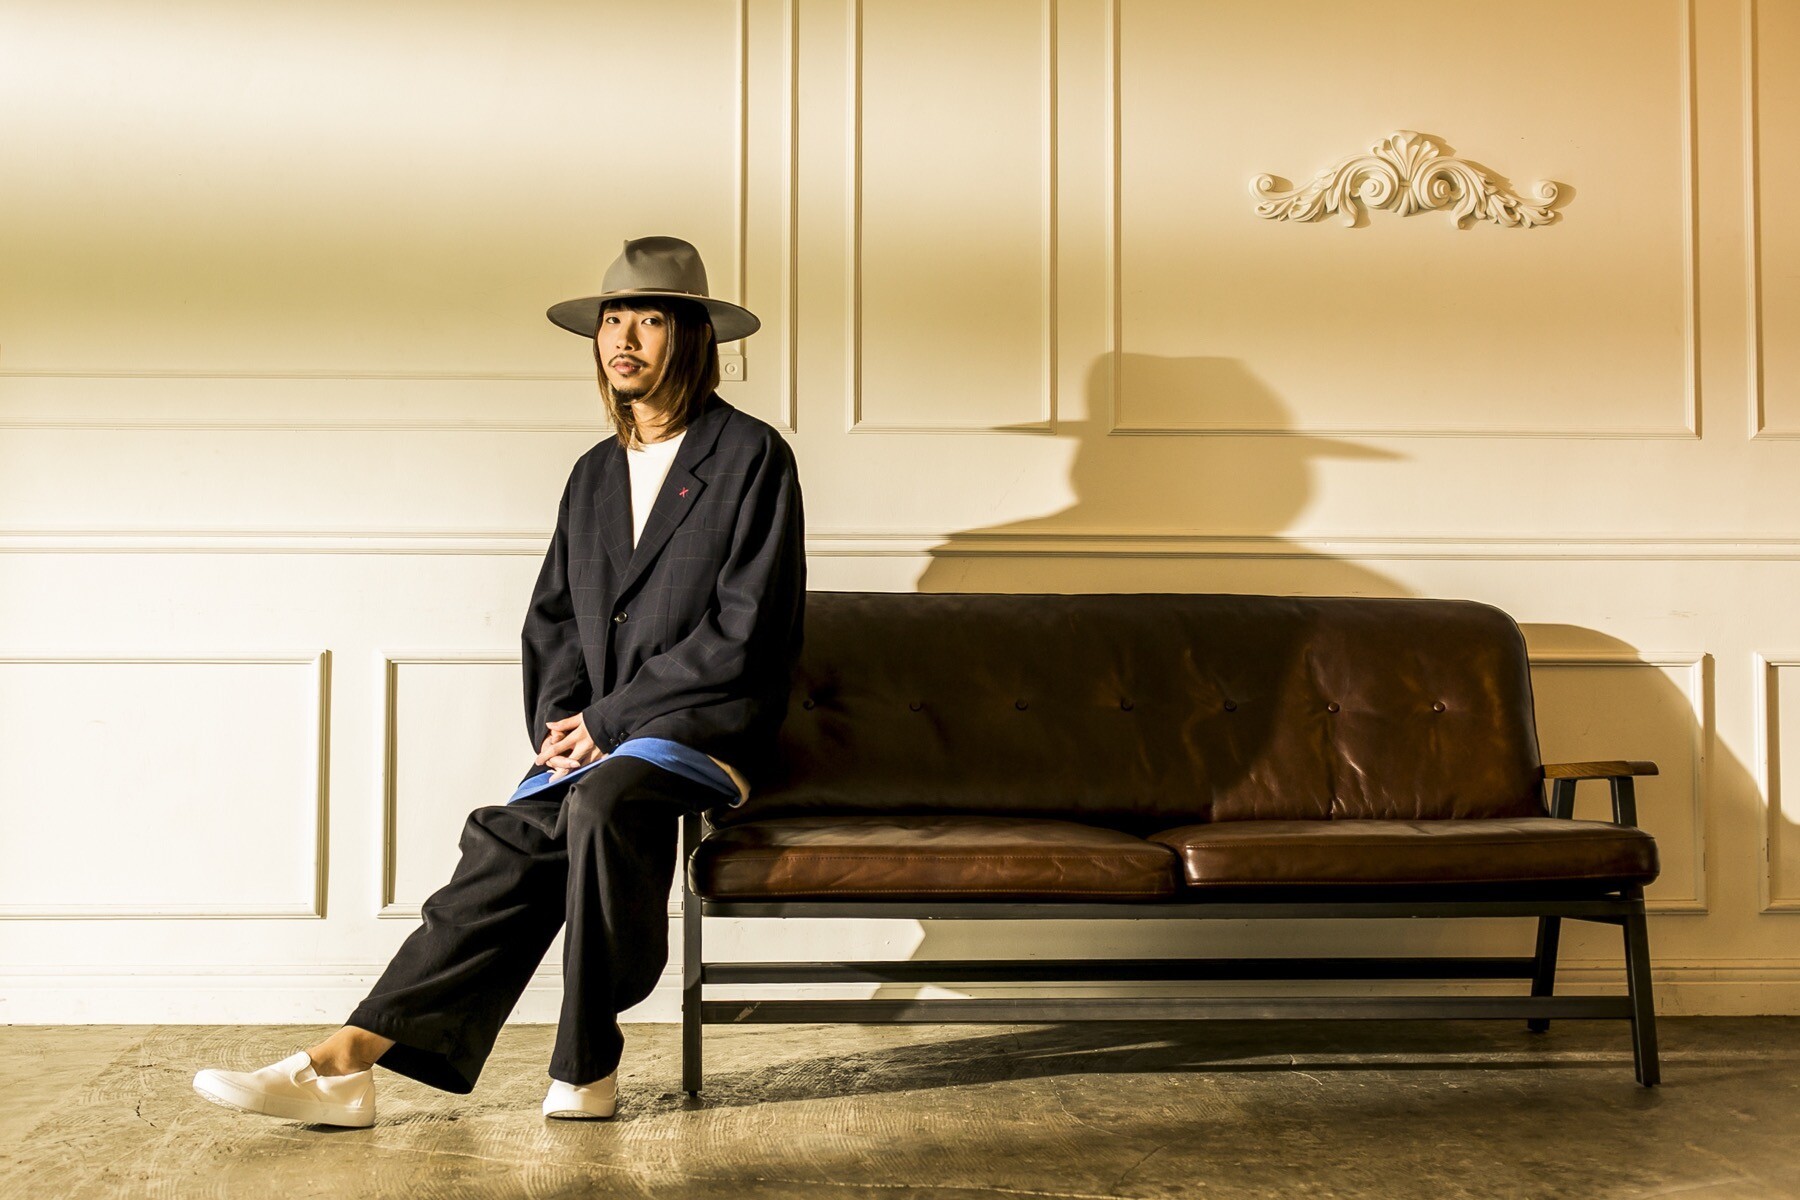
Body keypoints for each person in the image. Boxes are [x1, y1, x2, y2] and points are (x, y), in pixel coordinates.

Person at [192, 235, 807, 1125]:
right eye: (612, 320)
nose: (623, 337)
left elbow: (744, 631)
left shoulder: (751, 456)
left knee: (601, 805)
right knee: (510, 837)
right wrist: (562, 728)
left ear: (694, 337)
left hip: (705, 728)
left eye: (649, 320)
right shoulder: (593, 475)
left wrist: (612, 721)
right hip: (599, 740)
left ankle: (587, 1061)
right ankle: (346, 1063)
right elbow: (552, 619)